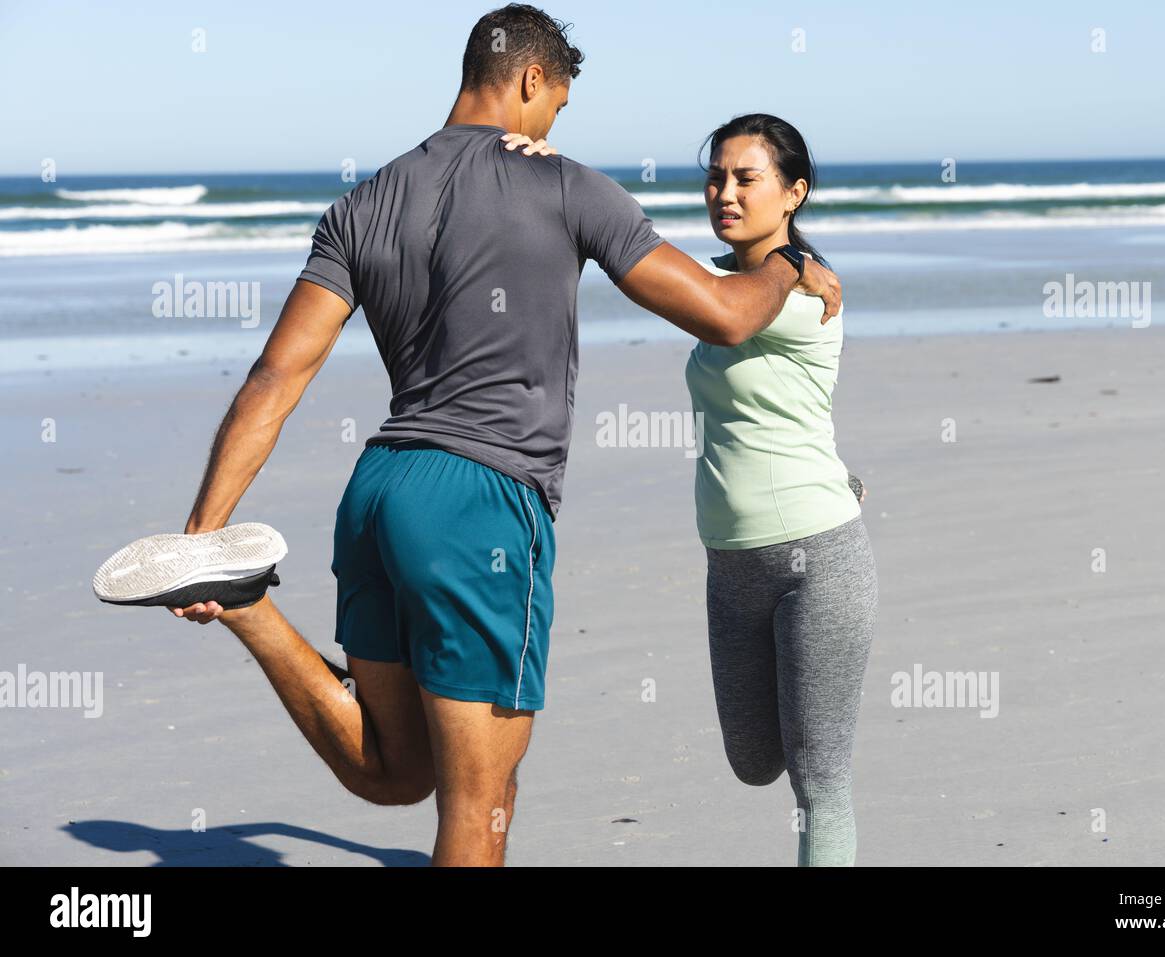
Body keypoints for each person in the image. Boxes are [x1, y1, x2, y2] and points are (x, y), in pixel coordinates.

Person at [111, 4, 841, 866]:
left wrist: (204, 531)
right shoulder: (566, 184)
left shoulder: (363, 201)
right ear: (533, 80)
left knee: (393, 768)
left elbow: (275, 379)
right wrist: (789, 261)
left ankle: (248, 602)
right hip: (482, 504)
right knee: (477, 801)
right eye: (558, 106)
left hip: (379, 492)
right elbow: (724, 316)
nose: (554, 125)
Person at [686, 114, 879, 866]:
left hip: (817, 560)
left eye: (746, 177)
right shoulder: (729, 289)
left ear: (794, 193)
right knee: (752, 759)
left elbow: (731, 319)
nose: (724, 192)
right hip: (730, 568)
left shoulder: (803, 298)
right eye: (716, 176)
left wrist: (795, 266)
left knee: (819, 781)